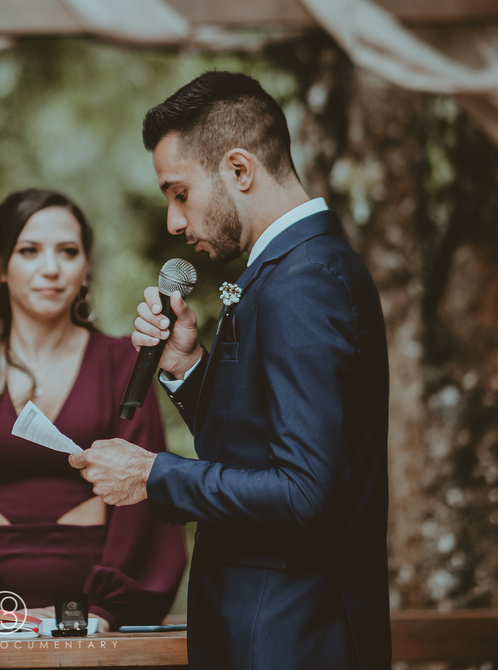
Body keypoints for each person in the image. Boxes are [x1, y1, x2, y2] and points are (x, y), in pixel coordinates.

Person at [70, 72, 391, 669]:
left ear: (239, 170)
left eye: (179, 192)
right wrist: (189, 367)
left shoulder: (304, 284)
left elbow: (304, 494)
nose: (173, 220)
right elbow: (259, 450)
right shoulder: (289, 271)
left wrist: (153, 474)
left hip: (291, 637)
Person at [0, 189, 185, 632]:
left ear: (86, 267)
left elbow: (143, 495)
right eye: (29, 251)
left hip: (101, 622)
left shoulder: (123, 364)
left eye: (68, 251)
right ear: (0, 267)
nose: (51, 268)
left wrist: (100, 612)